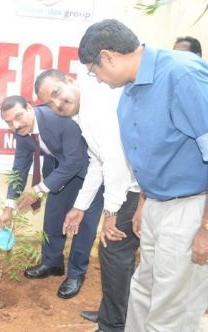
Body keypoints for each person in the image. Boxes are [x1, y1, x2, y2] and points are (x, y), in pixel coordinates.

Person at [79, 19, 208, 332]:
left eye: (92, 69)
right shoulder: (130, 91)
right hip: (155, 207)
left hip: (190, 208)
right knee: (143, 294)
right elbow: (149, 154)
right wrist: (143, 204)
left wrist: (206, 227)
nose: (94, 78)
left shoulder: (182, 74)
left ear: (108, 56)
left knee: (171, 311)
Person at [36, 68, 142, 332]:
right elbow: (97, 161)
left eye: (58, 94)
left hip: (136, 188)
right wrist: (79, 207)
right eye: (50, 103)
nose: (57, 104)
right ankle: (113, 314)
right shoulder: (82, 114)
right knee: (116, 254)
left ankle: (113, 325)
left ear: (70, 81)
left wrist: (111, 214)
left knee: (114, 251)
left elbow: (117, 161)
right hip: (129, 186)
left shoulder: (96, 106)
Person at [0, 94, 103, 299]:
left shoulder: (60, 120)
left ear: (29, 108)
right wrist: (8, 207)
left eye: (19, 117)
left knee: (83, 225)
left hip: (89, 172)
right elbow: (19, 169)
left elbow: (74, 161)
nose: (16, 125)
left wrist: (39, 189)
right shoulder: (20, 133)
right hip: (59, 173)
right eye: (9, 122)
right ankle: (52, 263)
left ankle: (75, 274)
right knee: (53, 217)